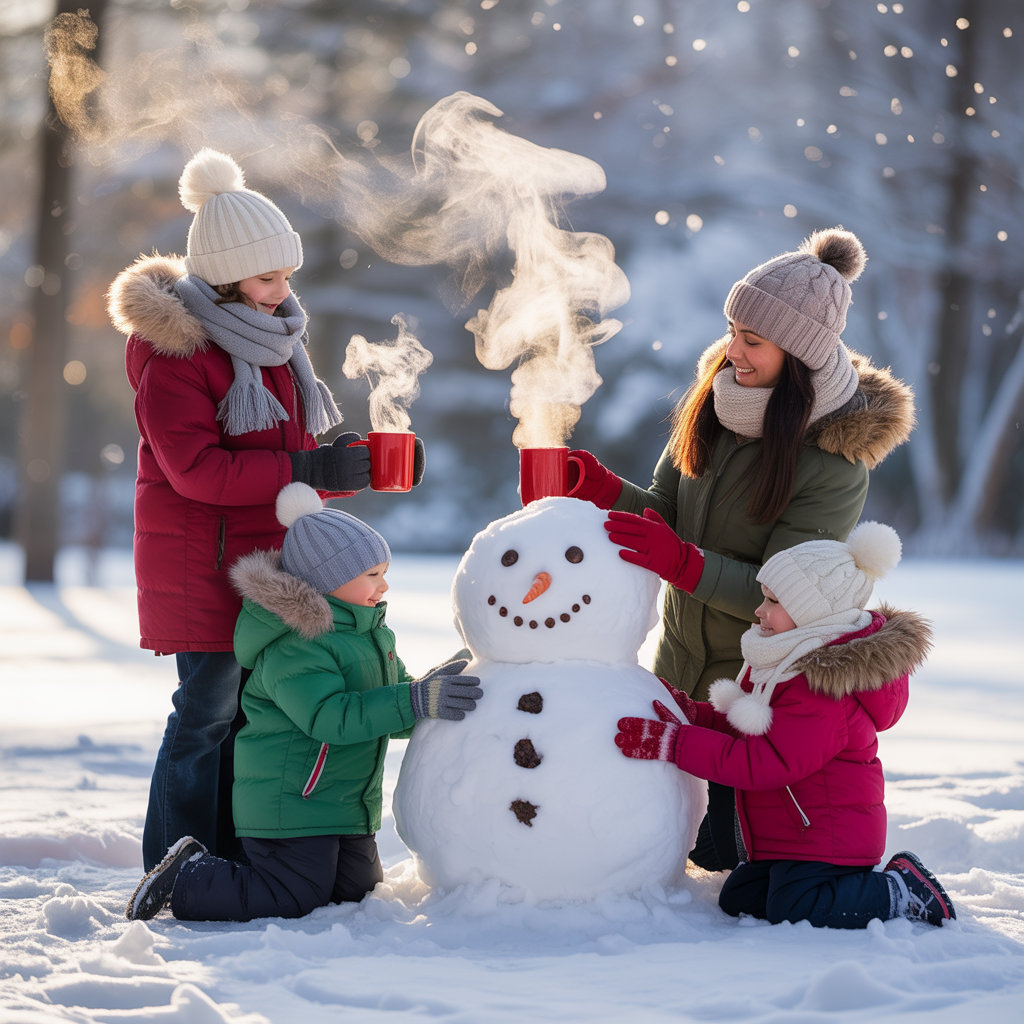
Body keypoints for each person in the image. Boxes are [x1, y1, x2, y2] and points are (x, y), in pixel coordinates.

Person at [107, 149, 423, 871]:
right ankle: (178, 858)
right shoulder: (176, 357)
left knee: (255, 716)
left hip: (266, 567)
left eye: (287, 275)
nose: (283, 292)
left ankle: (240, 851)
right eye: (267, 277)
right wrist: (307, 466)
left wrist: (344, 468)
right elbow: (198, 472)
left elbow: (284, 471)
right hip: (201, 566)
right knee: (207, 715)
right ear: (222, 275)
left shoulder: (272, 344)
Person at [571, 227, 915, 871]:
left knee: (721, 856)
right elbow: (667, 516)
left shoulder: (834, 465)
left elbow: (785, 592)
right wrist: (606, 492)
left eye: (752, 341)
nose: (732, 351)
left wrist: (681, 563)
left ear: (800, 355)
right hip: (682, 662)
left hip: (759, 692)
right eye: (732, 331)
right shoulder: (714, 407)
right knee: (643, 840)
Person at [126, 482, 481, 922]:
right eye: (372, 574)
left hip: (346, 805)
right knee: (290, 897)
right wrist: (412, 700)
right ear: (329, 580)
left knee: (358, 895)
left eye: (383, 571)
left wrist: (430, 692)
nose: (384, 585)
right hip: (292, 803)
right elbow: (331, 718)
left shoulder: (369, 634)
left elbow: (393, 708)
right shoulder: (297, 645)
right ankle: (187, 877)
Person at [614, 521, 956, 929]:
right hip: (794, 835)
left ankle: (901, 890)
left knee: (794, 907)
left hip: (829, 839)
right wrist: (694, 714)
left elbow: (764, 762)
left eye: (772, 601)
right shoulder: (785, 663)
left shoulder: (822, 690)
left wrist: (676, 743)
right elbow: (750, 728)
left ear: (813, 614)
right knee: (739, 898)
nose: (759, 611)